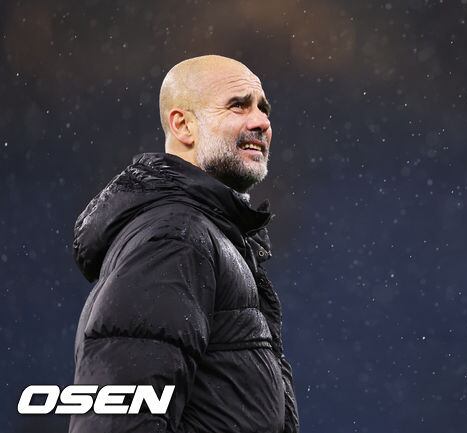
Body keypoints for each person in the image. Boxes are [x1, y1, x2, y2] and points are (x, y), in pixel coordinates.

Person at [69, 55, 299, 433]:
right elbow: (116, 420)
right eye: (238, 105)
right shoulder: (176, 237)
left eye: (263, 108)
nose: (261, 121)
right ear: (183, 125)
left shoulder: (207, 235)